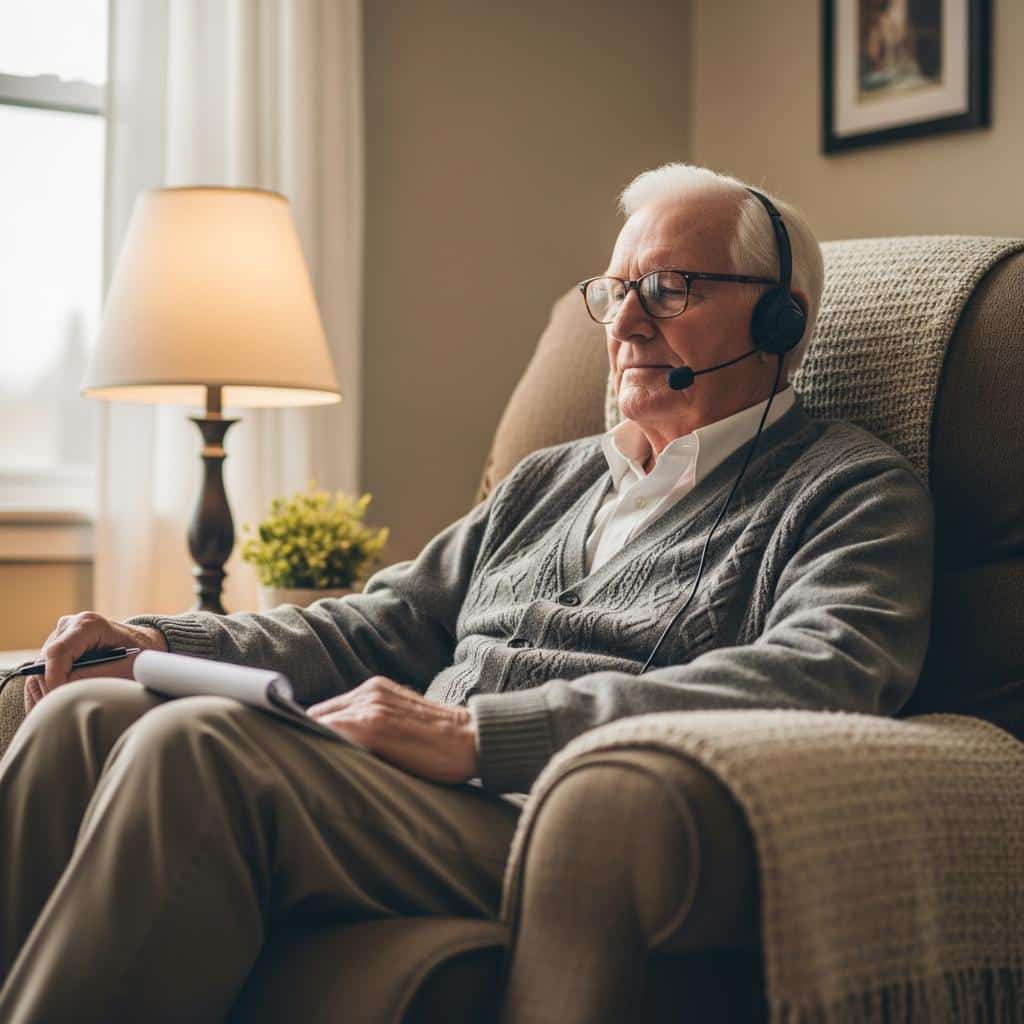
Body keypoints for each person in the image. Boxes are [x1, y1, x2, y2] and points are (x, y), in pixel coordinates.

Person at [0, 163, 934, 1022]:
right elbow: (384, 622)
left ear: (783, 322)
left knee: (193, 748)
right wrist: (162, 644)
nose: (625, 322)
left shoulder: (849, 489)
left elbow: (822, 677)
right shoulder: (548, 481)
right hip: (395, 785)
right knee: (86, 715)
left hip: (544, 814)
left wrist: (479, 735)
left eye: (670, 287)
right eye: (615, 292)